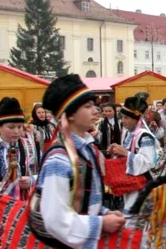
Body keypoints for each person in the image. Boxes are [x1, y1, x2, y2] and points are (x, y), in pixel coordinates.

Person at [37, 74, 125, 248]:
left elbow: (86, 201)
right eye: (88, 106)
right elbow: (55, 220)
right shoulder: (59, 161)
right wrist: (101, 224)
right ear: (69, 115)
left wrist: (104, 213)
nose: (95, 111)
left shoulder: (85, 149)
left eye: (94, 105)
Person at [108, 96, 162, 212]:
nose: (123, 121)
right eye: (122, 117)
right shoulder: (129, 133)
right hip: (132, 185)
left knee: (137, 219)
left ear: (135, 119)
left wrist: (125, 153)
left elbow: (148, 162)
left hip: (143, 186)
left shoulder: (144, 136)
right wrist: (116, 152)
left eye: (126, 117)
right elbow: (128, 155)